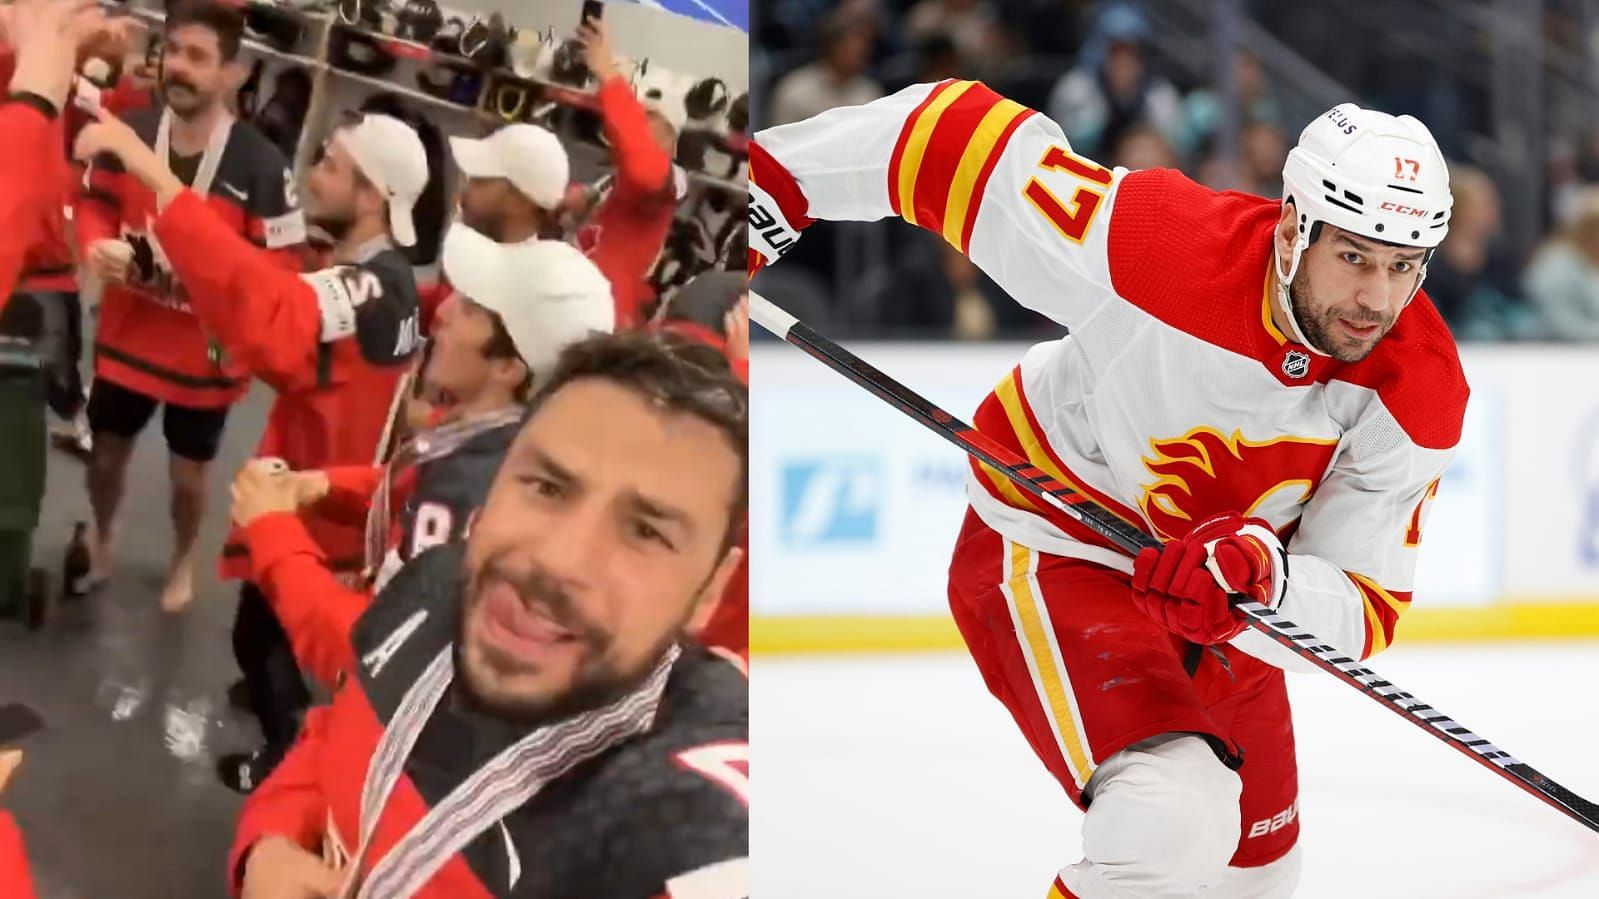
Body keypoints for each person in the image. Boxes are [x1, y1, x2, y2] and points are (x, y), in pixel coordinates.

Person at [751, 85, 1466, 897]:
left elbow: (1360, 599)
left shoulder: (1417, 387)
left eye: (1403, 266)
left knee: (1254, 876)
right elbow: (955, 138)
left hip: (1216, 598)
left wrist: (1263, 579)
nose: (1376, 298)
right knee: (1170, 824)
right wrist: (769, 182)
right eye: (1354, 258)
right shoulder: (1161, 246)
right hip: (1055, 534)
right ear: (1295, 227)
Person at [230, 332, 748, 899]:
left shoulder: (692, 836)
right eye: (547, 487)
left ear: (711, 590)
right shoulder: (434, 587)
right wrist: (271, 840)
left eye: (646, 531)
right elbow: (339, 722)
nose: (557, 560)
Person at [75, 106, 434, 792]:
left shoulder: (367, 286)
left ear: (372, 196)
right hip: (322, 486)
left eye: (330, 166)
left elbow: (266, 311)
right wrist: (163, 271)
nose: (311, 176)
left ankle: (283, 750)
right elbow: (269, 307)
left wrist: (145, 166)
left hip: (320, 505)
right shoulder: (377, 276)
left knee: (265, 639)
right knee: (264, 631)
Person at [227, 221, 615, 692]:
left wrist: (271, 529)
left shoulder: (469, 492)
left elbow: (369, 653)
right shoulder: (508, 444)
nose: (443, 311)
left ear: (510, 367)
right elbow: (411, 479)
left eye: (471, 308)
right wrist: (324, 487)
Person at [73, 0, 307, 613]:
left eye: (197, 57)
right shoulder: (129, 129)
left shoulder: (262, 165)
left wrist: (206, 277)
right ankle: (101, 537)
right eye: (171, 51)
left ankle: (182, 557)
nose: (177, 66)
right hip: (126, 334)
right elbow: (95, 199)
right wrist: (97, 242)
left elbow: (282, 271)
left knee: (188, 479)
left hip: (205, 357)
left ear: (233, 73)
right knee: (104, 456)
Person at [567, 17, 687, 328]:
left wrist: (608, 74)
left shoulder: (672, 179)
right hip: (578, 296)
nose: (631, 122)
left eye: (645, 115)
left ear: (669, 134)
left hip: (605, 313)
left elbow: (644, 171)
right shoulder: (613, 177)